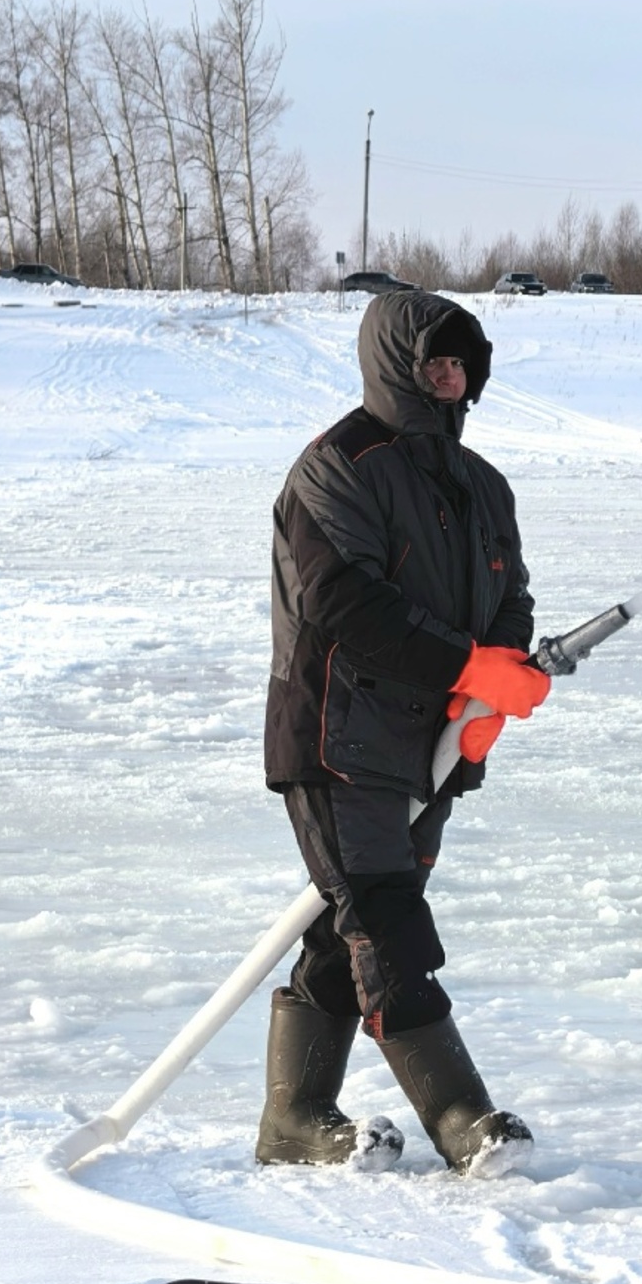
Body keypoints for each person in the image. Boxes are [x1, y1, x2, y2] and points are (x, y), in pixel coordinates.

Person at [260, 286, 550, 1177]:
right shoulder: (336, 467)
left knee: (346, 925)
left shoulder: (482, 487)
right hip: (338, 739)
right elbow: (343, 601)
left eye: (463, 363)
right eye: (435, 362)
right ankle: (459, 1114)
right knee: (384, 920)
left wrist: (489, 698)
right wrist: (467, 668)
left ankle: (297, 1117)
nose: (451, 379)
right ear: (396, 368)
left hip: (431, 750)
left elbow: (509, 598)